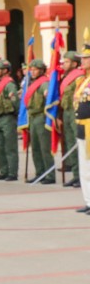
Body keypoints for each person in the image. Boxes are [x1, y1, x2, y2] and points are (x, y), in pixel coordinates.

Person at [24, 58, 55, 183]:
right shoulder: (31, 83)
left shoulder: (43, 83)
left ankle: (50, 175)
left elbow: (47, 93)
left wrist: (47, 93)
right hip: (32, 117)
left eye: (35, 69)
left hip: (41, 117)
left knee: (44, 148)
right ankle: (40, 172)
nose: (33, 71)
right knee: (35, 148)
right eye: (31, 69)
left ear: (42, 70)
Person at [0, 60, 20, 180]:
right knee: (1, 145)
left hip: (8, 117)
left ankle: (12, 172)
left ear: (5, 70)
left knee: (10, 146)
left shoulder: (9, 84)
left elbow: (15, 102)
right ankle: (3, 171)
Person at [59, 51, 84, 187]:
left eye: (67, 61)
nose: (64, 64)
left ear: (74, 63)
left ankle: (82, 176)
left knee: (78, 143)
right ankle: (76, 174)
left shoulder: (79, 77)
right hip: (66, 112)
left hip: (76, 113)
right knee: (70, 144)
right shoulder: (64, 77)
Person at [73, 69, 90, 212]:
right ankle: (88, 201)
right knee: (84, 168)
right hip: (82, 126)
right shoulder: (82, 81)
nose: (83, 61)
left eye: (86, 58)